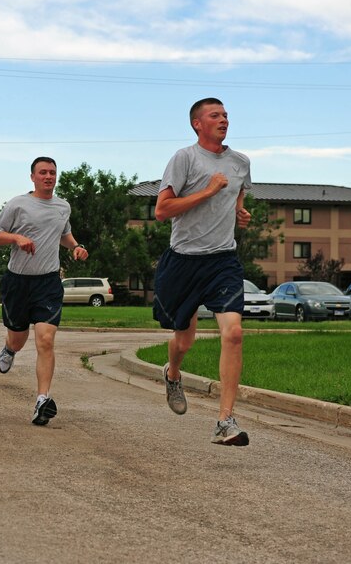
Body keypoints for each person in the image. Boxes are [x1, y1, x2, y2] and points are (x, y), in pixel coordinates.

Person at [153, 97, 252, 446]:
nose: (223, 119)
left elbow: (237, 194)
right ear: (198, 123)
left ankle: (225, 421)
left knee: (234, 332)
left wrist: (240, 212)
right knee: (184, 340)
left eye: (225, 114)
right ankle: (173, 373)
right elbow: (162, 211)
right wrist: (208, 191)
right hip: (183, 260)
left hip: (222, 260)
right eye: (215, 115)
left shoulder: (240, 162)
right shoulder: (184, 159)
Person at [0, 157, 88, 426]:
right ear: (32, 177)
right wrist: (16, 237)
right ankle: (9, 349)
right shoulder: (18, 204)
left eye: (52, 172)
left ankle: (42, 399)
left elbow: (63, 234)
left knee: (45, 339)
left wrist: (75, 246)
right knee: (18, 339)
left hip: (48, 283)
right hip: (18, 282)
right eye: (42, 172)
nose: (48, 177)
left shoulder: (62, 206)